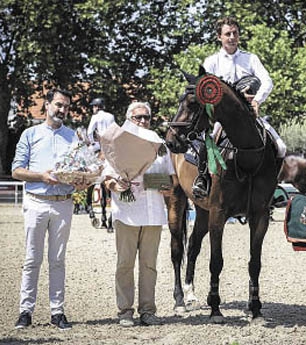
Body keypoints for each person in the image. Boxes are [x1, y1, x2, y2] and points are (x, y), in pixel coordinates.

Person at [11, 88, 89, 330]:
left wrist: (81, 180)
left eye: (66, 107)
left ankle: (57, 311)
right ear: (47, 105)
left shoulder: (74, 137)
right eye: (58, 105)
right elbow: (16, 170)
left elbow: (81, 171)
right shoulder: (30, 134)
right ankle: (26, 311)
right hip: (36, 201)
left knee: (57, 260)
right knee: (32, 259)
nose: (62, 110)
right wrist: (41, 176)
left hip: (64, 202)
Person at [192, 16, 286, 199]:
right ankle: (203, 180)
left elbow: (268, 81)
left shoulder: (250, 59)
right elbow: (203, 90)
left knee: (281, 147)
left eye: (235, 33)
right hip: (222, 119)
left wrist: (257, 100)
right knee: (207, 141)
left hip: (250, 115)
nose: (232, 37)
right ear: (219, 37)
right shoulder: (211, 62)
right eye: (228, 34)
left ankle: (272, 189)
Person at [103, 102, 176, 327]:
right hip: (126, 213)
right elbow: (107, 178)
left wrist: (148, 181)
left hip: (153, 213)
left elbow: (171, 183)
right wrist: (117, 185)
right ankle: (125, 311)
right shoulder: (117, 143)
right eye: (138, 118)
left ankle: (148, 310)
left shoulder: (160, 144)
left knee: (149, 265)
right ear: (128, 119)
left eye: (147, 117)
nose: (143, 121)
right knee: (125, 263)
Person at [86, 97, 116, 231]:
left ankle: (91, 206)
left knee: (90, 173)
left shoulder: (96, 116)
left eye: (93, 107)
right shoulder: (111, 116)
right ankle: (108, 218)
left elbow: (89, 133)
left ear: (96, 107)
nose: (93, 109)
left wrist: (93, 142)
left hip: (98, 149)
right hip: (110, 149)